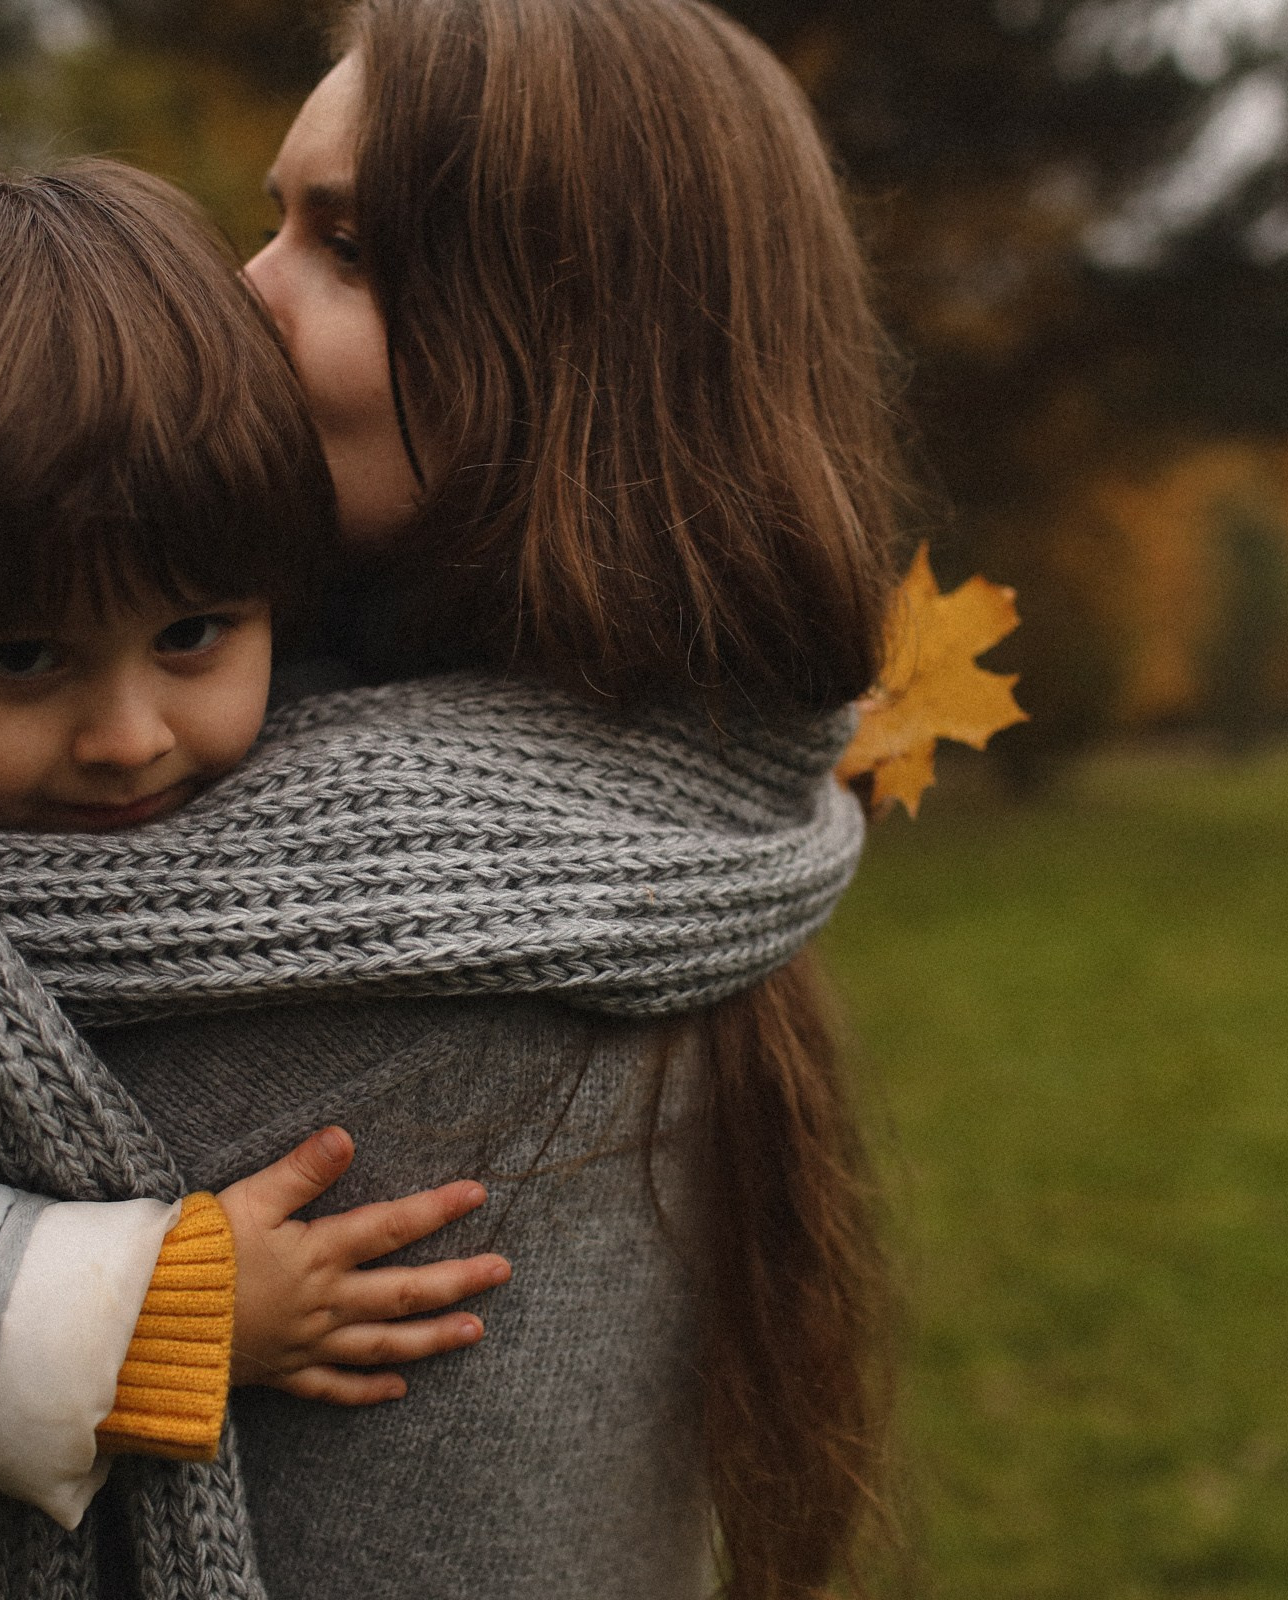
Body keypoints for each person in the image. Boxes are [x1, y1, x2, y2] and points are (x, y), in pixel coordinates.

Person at [0, 117, 871, 1600]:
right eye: (23, 659)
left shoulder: (422, 763)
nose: (130, 732)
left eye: (195, 635)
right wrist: (147, 1312)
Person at [206, 2, 906, 1596]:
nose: (239, 295)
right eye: (272, 222)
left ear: (587, 353)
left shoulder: (426, 966)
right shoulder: (690, 862)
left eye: (350, 247)